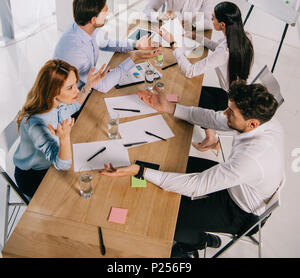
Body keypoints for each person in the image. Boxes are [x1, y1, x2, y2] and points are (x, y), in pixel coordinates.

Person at [100, 81, 284, 258]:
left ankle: (198, 241)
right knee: (167, 165)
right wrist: (170, 108)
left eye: (231, 112)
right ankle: (141, 187)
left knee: (164, 213)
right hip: (237, 182)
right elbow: (213, 118)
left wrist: (140, 172)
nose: (225, 113)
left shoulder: (252, 158)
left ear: (252, 124)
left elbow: (196, 186)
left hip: (239, 211)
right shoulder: (265, 121)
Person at [160, 1, 254, 154]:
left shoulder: (224, 51)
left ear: (222, 24)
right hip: (240, 92)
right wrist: (198, 38)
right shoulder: (244, 36)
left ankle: (211, 139)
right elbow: (220, 48)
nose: (211, 20)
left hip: (229, 101)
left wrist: (173, 43)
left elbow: (190, 71)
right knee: (196, 92)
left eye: (213, 18)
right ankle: (211, 138)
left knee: (193, 96)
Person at [14, 59, 109, 199]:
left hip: (52, 164)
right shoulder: (37, 124)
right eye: (70, 88)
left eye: (75, 84)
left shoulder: (55, 103)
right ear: (53, 91)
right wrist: (64, 138)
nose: (76, 90)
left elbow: (74, 106)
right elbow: (62, 164)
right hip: (35, 176)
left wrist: (88, 86)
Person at [54, 0, 161, 93]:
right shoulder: (75, 50)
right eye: (105, 11)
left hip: (87, 84)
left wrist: (135, 44)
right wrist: (134, 58)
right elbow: (103, 85)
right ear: (93, 20)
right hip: (75, 98)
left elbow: (104, 42)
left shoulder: (85, 25)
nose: (108, 14)